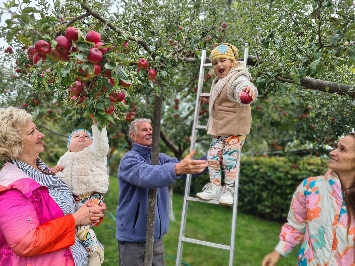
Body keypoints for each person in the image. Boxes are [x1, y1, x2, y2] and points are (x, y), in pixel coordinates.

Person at [0, 106, 106, 266]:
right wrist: (76, 219)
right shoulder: (12, 188)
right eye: (31, 132)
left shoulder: (44, 172)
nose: (40, 135)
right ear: (14, 143)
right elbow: (26, 242)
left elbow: (62, 211)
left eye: (36, 129)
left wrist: (90, 211)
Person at [115, 118, 208, 266]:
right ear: (133, 136)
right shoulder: (129, 160)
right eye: (144, 129)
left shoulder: (160, 158)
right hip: (133, 239)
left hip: (156, 238)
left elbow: (181, 167)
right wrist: (176, 169)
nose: (150, 131)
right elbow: (148, 175)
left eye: (151, 129)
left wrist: (209, 161)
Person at [262, 133, 355, 266]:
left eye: (342, 149)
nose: (332, 152)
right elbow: (295, 226)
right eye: (336, 147)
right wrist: (278, 252)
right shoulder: (310, 187)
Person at [196, 43, 258, 205]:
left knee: (229, 160)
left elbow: (242, 86)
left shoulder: (237, 76)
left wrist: (247, 91)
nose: (219, 65)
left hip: (235, 129)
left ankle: (228, 190)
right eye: (215, 63)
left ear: (232, 62)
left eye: (223, 60)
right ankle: (215, 188)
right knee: (212, 157)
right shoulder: (219, 80)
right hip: (221, 128)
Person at [51, 115, 109, 266]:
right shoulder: (65, 157)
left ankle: (94, 250)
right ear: (69, 145)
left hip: (91, 196)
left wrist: (97, 126)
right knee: (71, 226)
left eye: (86, 135)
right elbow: (59, 178)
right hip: (72, 198)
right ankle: (81, 252)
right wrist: (54, 171)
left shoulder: (94, 153)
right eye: (76, 136)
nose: (81, 136)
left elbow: (101, 144)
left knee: (82, 226)